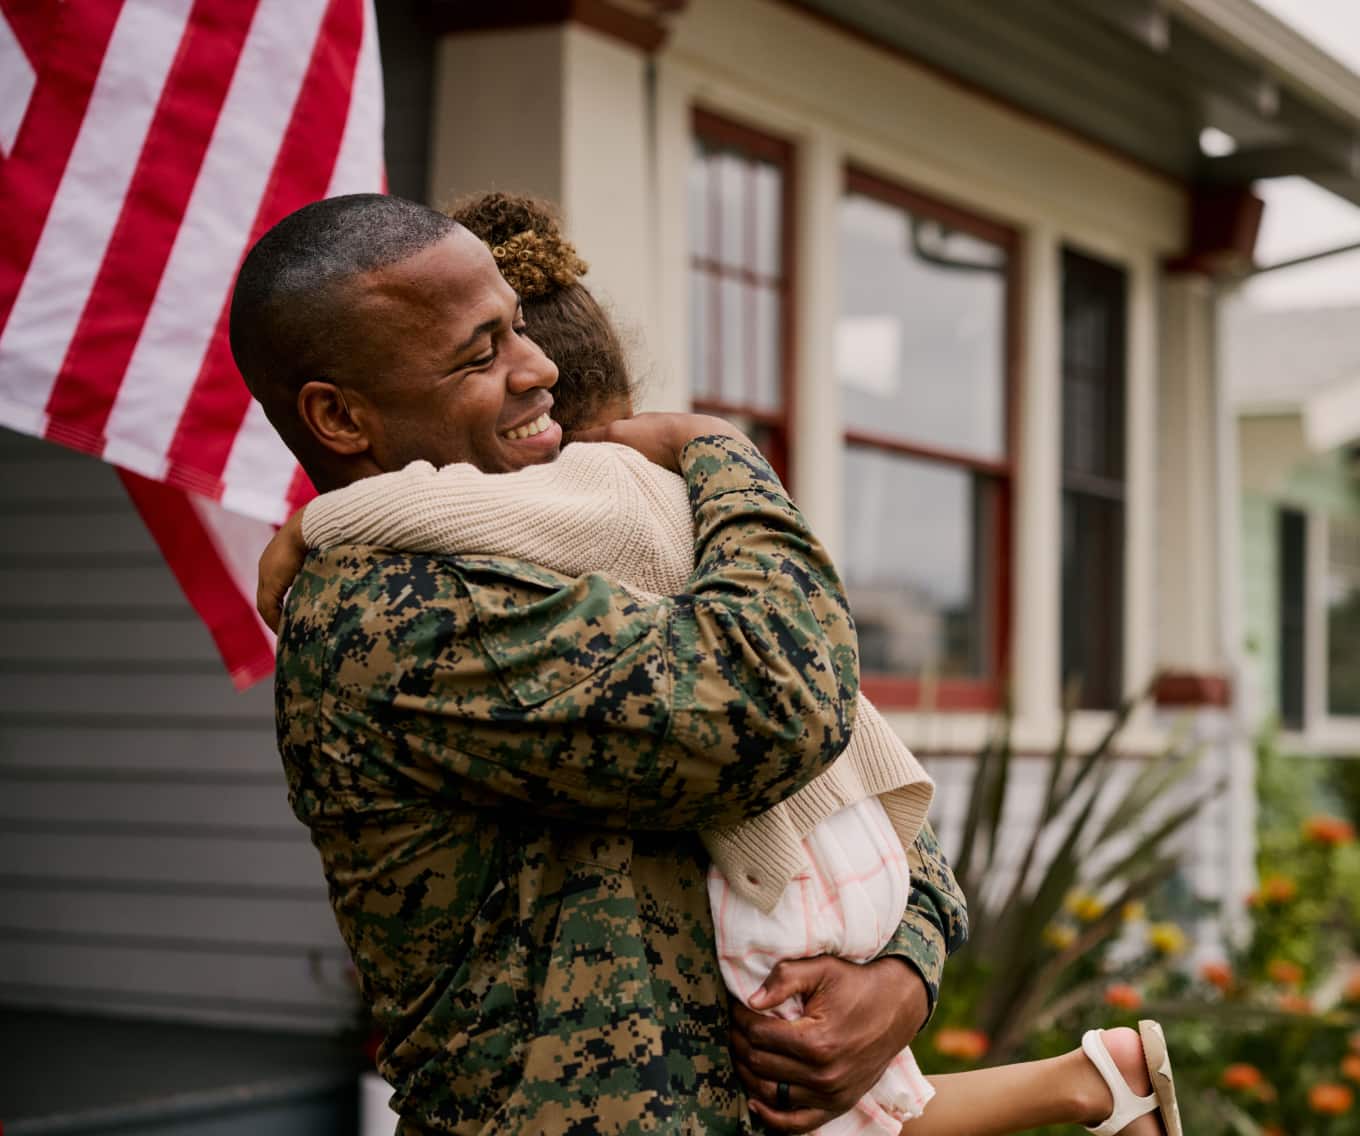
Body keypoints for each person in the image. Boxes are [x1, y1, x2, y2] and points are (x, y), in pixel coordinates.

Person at [252, 192, 1182, 1136]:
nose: (537, 369)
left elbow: (851, 776)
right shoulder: (394, 611)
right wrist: (721, 451)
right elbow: (782, 707)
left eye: (519, 329)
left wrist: (902, 971)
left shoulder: (591, 561)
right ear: (340, 416)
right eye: (479, 354)